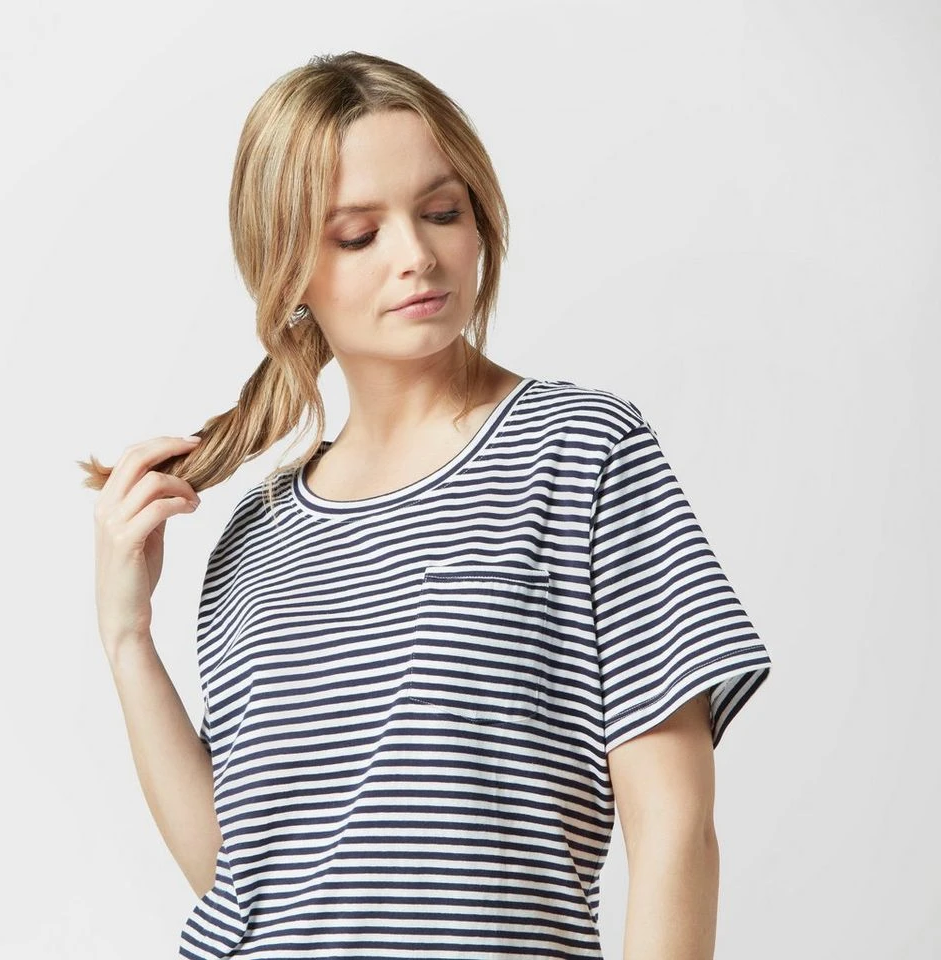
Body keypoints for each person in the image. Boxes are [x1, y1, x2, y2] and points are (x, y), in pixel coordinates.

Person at [82, 51, 772, 960]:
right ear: (287, 270)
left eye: (442, 213)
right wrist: (128, 639)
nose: (416, 256)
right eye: (358, 235)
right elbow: (238, 876)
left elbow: (674, 825)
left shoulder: (580, 451)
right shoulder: (258, 532)